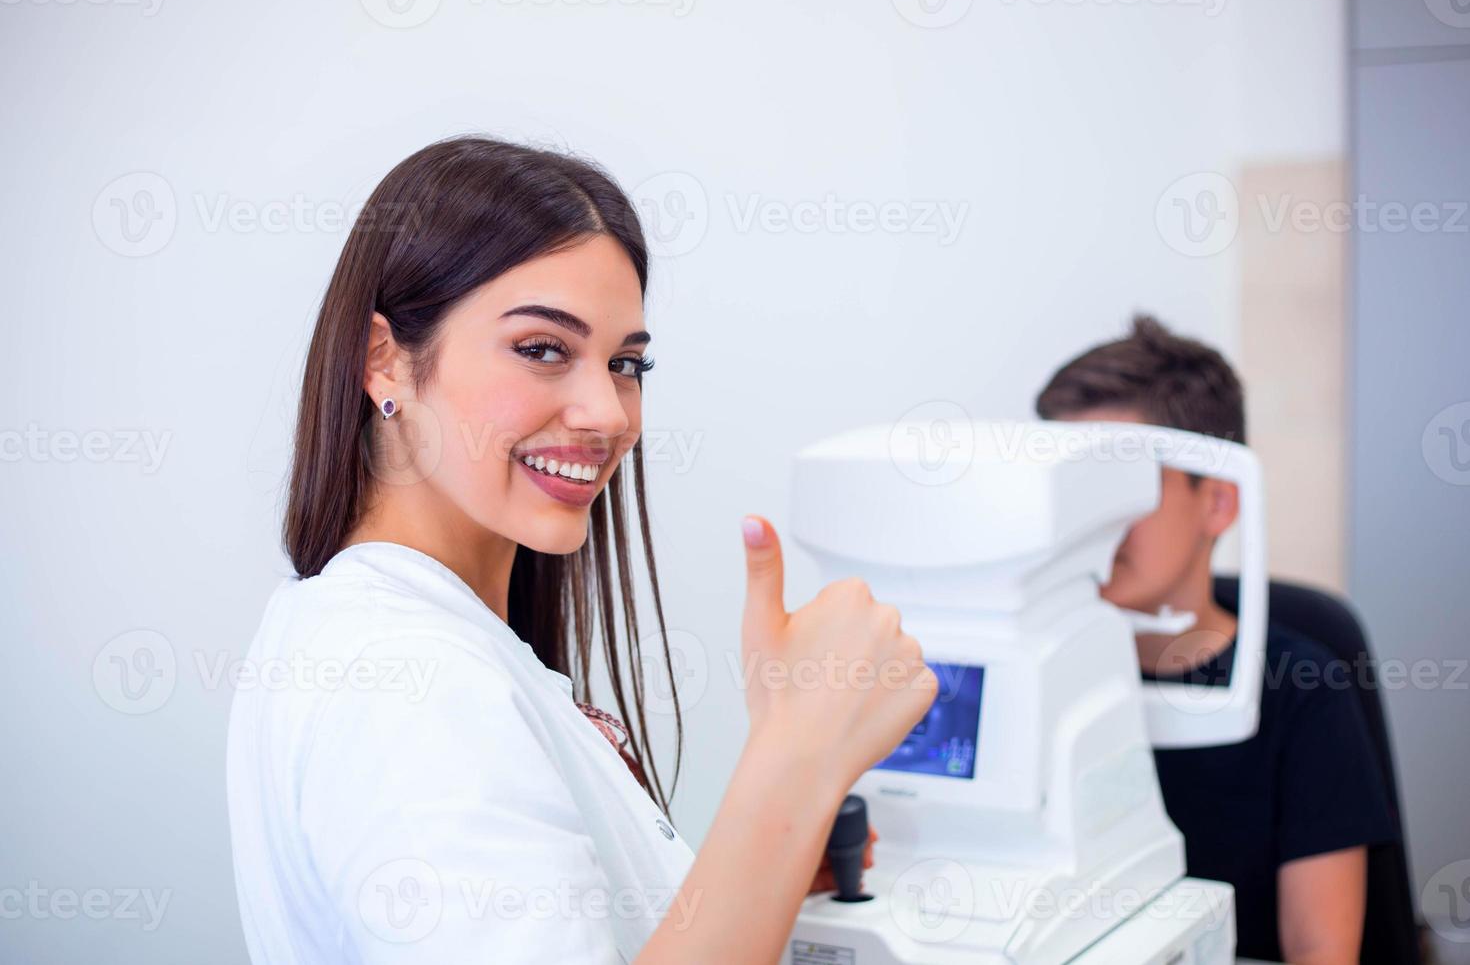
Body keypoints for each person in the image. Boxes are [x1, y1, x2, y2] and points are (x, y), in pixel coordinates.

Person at [225, 136, 937, 964]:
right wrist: (797, 760)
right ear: (383, 360)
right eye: (542, 349)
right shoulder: (406, 681)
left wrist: (759, 869)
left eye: (627, 363)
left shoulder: (392, 639)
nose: (608, 412)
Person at [1035, 314, 1398, 965]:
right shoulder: (1036, 671)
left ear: (1219, 502)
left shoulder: (1302, 690)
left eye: (1126, 485)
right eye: (1076, 486)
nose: (1095, 521)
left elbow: (1323, 950)